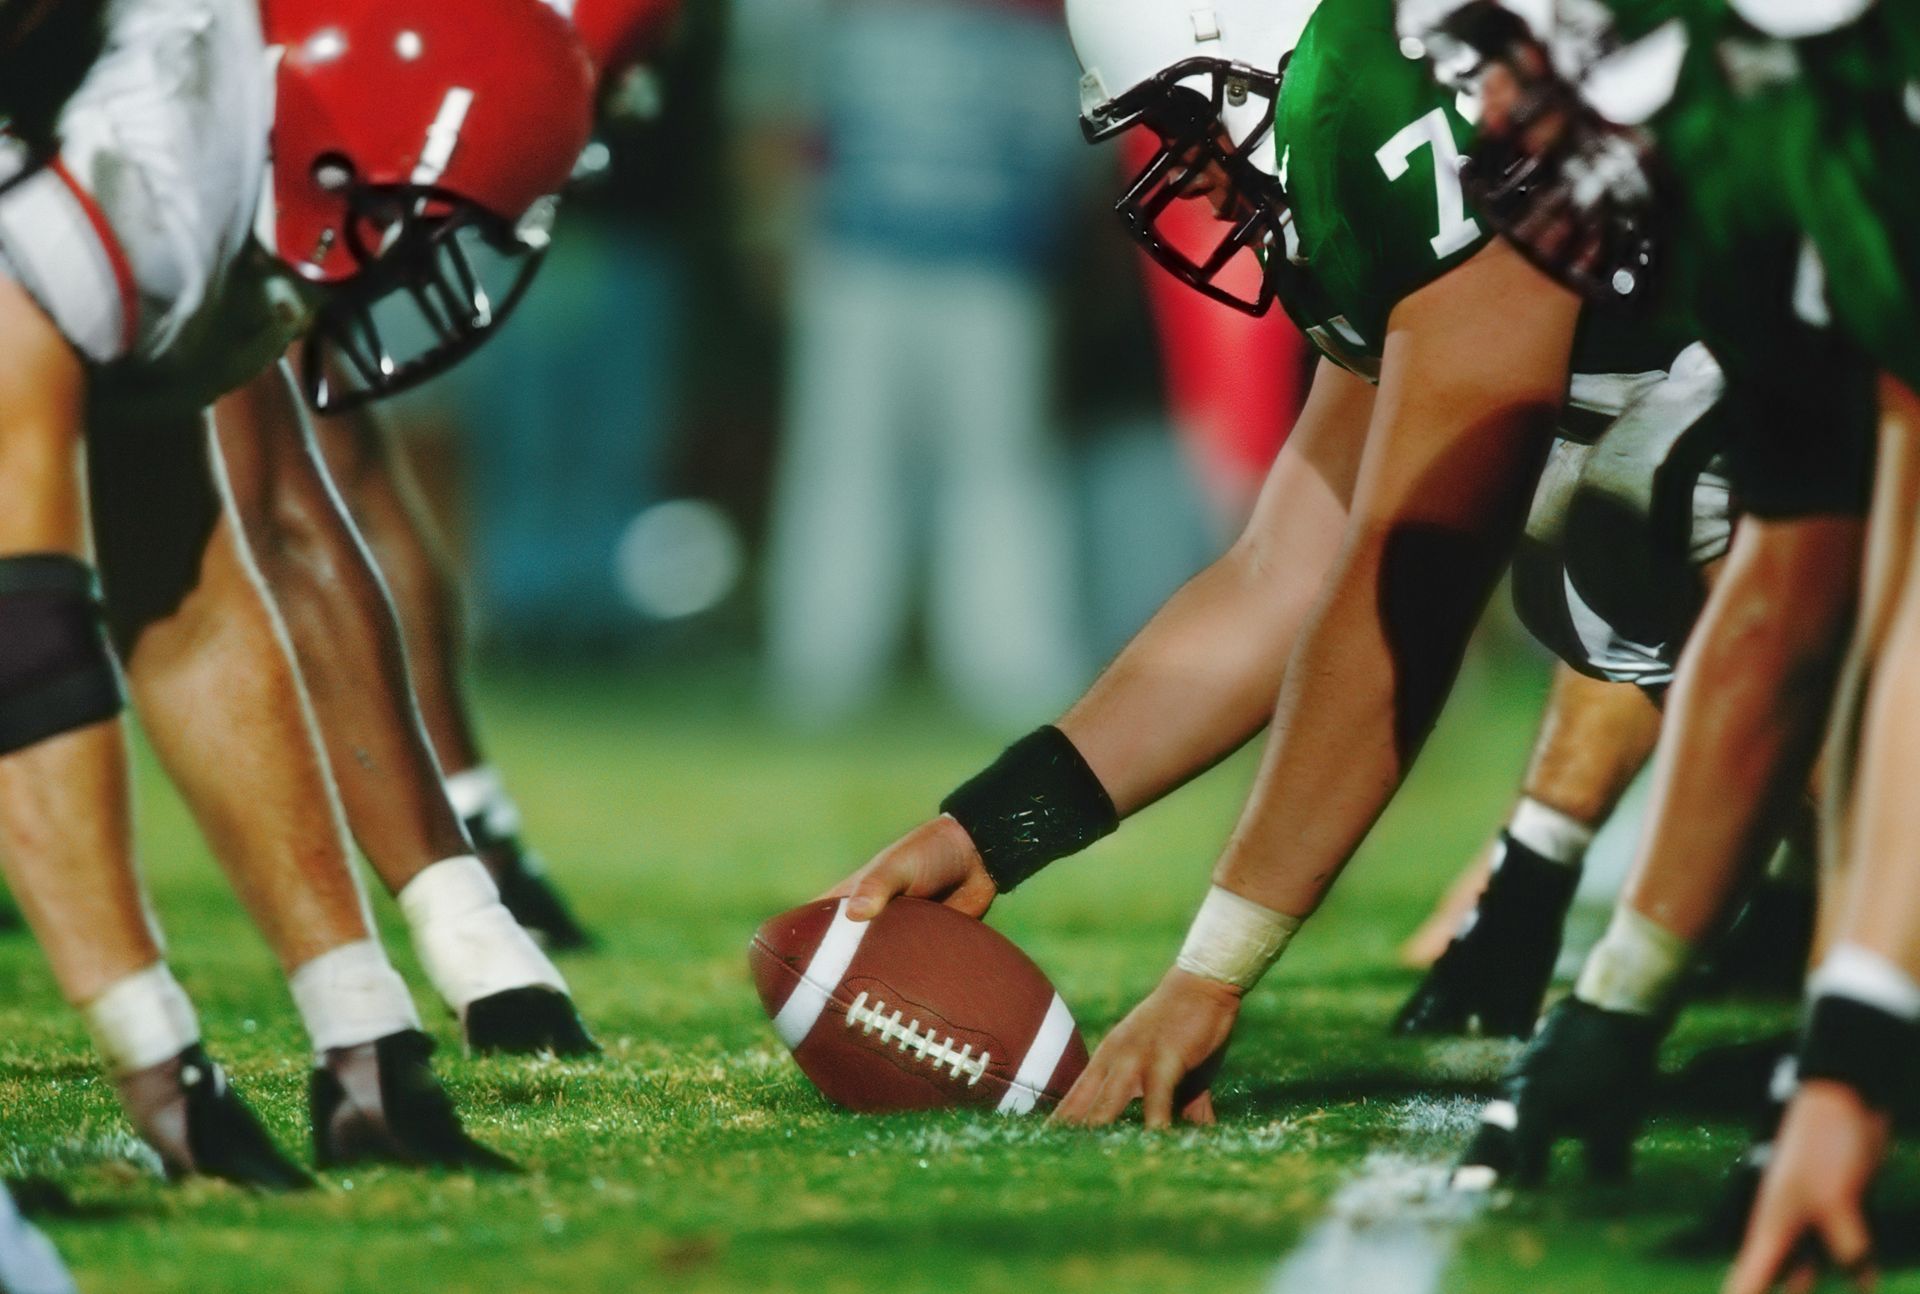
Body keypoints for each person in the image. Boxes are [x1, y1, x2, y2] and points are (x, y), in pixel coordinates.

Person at [822, 0, 1847, 1128]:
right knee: (1652, 550)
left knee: (1667, 560)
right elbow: (1278, 574)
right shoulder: (1372, 143)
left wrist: (1210, 972)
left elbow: (1398, 590)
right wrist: (992, 832)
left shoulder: (1393, 107)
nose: (1186, 169)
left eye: (1180, 115)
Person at [0, 0, 593, 1179]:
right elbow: (23, 640)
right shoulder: (128, 177)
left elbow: (193, 601)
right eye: (413, 225)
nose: (414, 268)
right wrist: (155, 1058)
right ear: (338, 145)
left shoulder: (203, 150)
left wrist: (361, 1029)